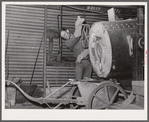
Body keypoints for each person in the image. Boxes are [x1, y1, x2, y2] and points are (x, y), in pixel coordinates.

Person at [60, 16, 92, 81]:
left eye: (64, 34)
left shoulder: (79, 33)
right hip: (79, 63)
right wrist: (78, 25)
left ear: (67, 31)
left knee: (87, 81)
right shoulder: (68, 43)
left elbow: (88, 45)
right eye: (63, 36)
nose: (65, 36)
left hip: (88, 62)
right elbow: (76, 38)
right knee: (79, 81)